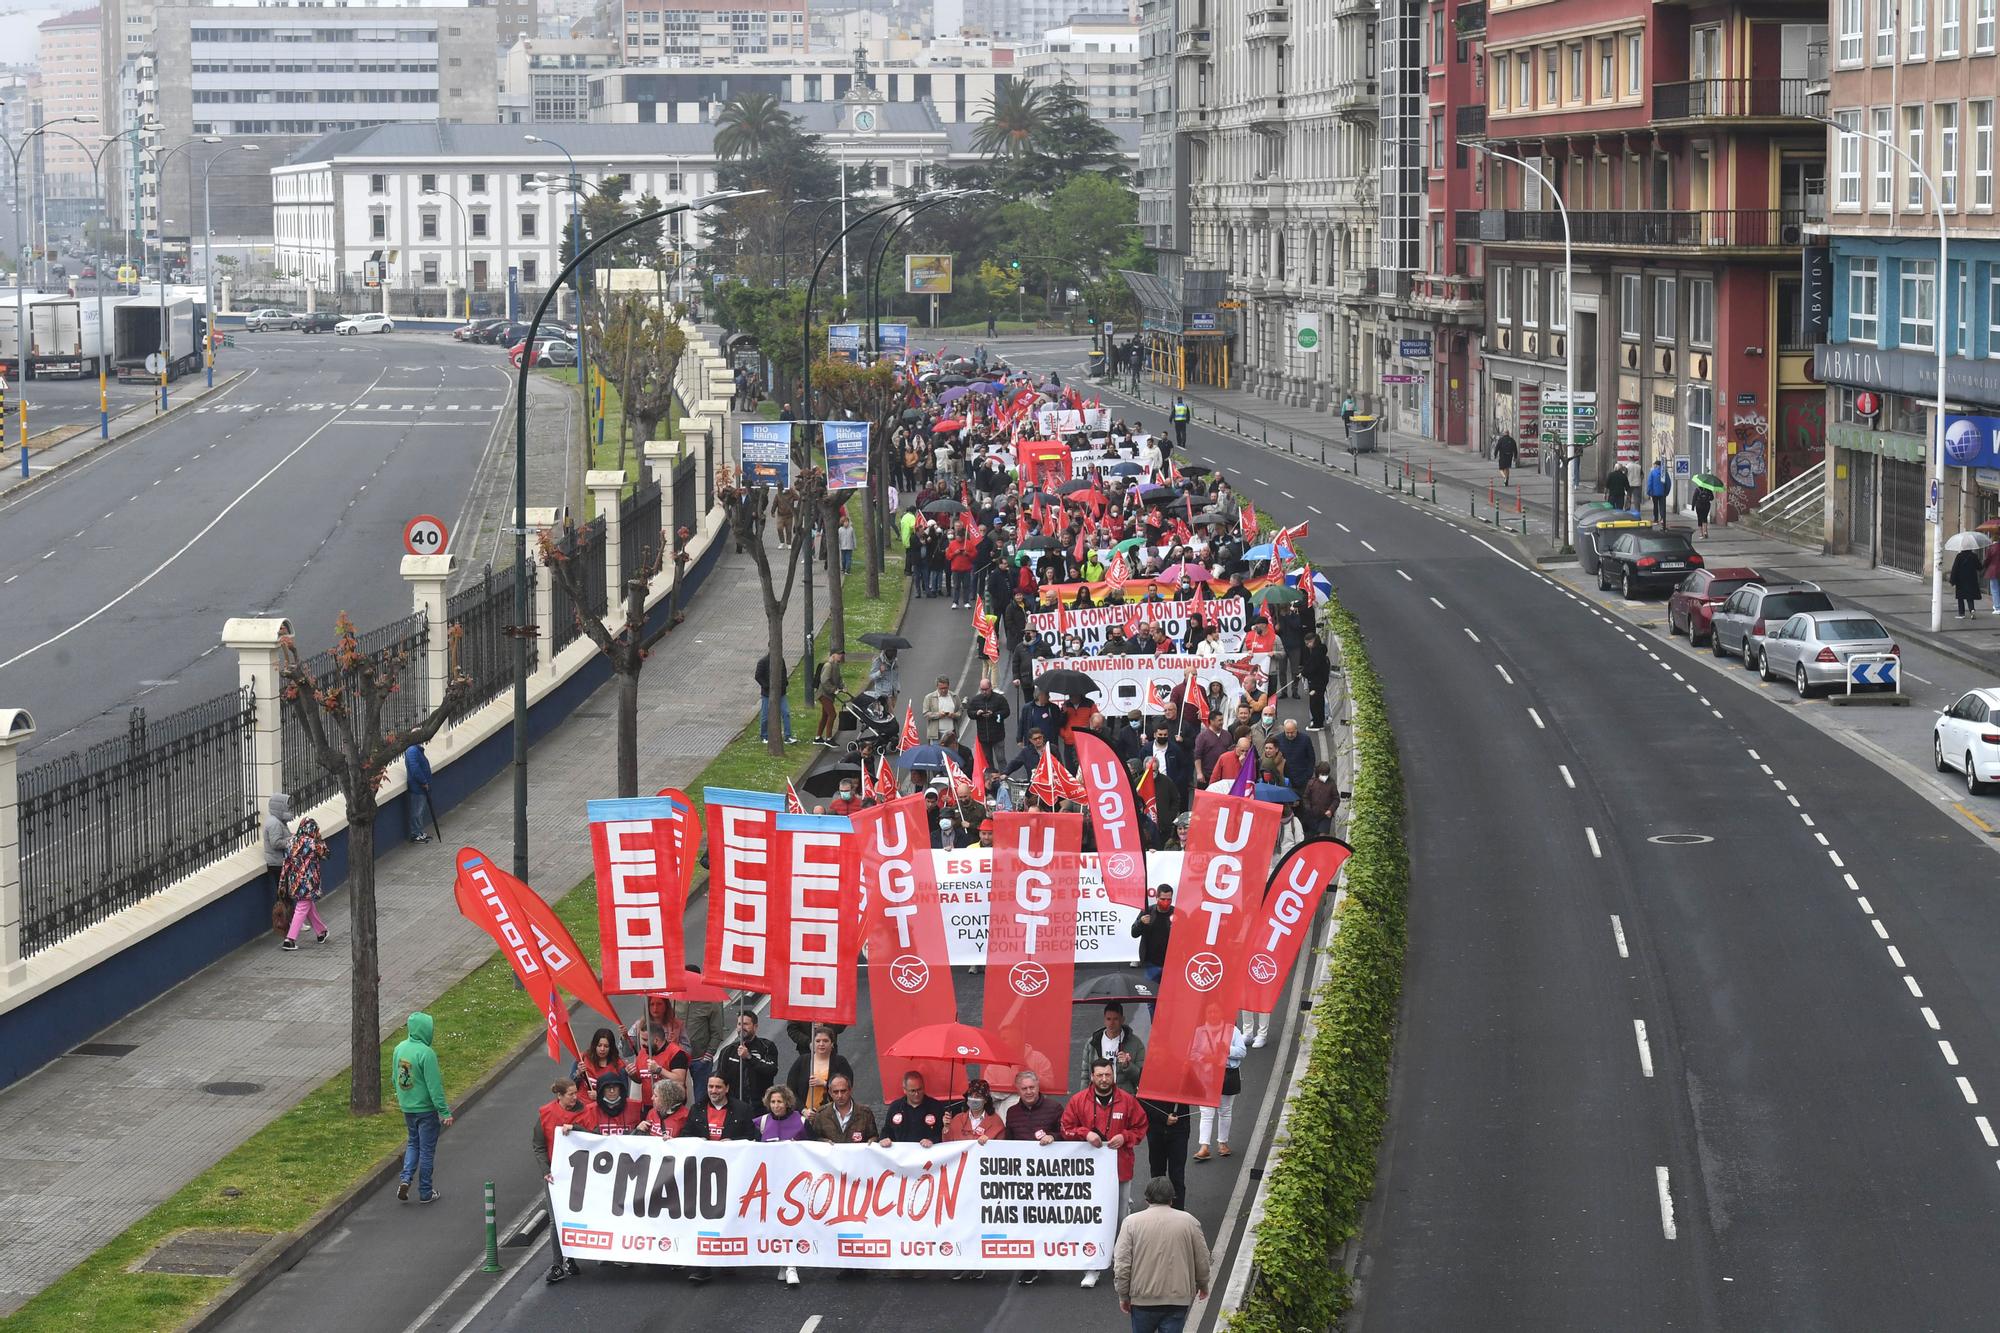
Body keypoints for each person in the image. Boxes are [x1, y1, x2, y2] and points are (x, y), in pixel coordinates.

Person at [1062, 1058, 1151, 1288]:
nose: (1104, 1079)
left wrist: (1126, 1137)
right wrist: (1085, 1134)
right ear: (1092, 1077)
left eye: (1107, 1075)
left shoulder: (1127, 1101)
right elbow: (1065, 1128)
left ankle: (1120, 1263)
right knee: (1093, 1218)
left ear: (1113, 1076)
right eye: (1099, 1075)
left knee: (1120, 1218)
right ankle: (1094, 1265)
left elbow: (1141, 1127)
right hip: (1088, 1174)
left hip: (1120, 1170)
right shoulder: (1079, 1100)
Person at [1114, 1177, 1212, 1332]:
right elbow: (1202, 1258)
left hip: (1142, 1300)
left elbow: (1122, 1264)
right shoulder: (1189, 1222)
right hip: (1177, 1299)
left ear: (1147, 1199)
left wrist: (1123, 1295)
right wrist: (1203, 1284)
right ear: (1171, 1199)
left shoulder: (1131, 1223)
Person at [1004, 1070, 1066, 1286]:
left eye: (1032, 1087)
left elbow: (1067, 1133)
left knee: (1047, 1218)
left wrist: (1054, 1137)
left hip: (1049, 1175)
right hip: (1022, 1178)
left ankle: (1048, 1255)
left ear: (1038, 1087)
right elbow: (1007, 1143)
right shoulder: (1011, 1112)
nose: (1029, 1092)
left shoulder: (1055, 1108)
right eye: (1024, 1088)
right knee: (1026, 1220)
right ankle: (1029, 1265)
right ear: (1017, 1090)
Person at [393, 1011, 453, 1203]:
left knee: (413, 1143)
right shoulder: (426, 1053)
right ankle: (426, 1191)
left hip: (407, 1107)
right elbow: (434, 1086)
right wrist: (444, 1111)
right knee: (427, 1150)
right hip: (425, 1109)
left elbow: (395, 1077)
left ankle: (405, 1178)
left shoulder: (399, 1048)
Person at [534, 1079, 589, 1284]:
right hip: (556, 1176)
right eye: (571, 1094)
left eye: (576, 1093)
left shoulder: (585, 1111)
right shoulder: (545, 1113)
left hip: (581, 1174)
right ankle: (558, 1264)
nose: (575, 1097)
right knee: (555, 1221)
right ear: (559, 1096)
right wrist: (545, 1170)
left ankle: (571, 1258)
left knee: (577, 1217)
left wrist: (575, 1128)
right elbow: (538, 1145)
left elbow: (596, 1137)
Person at [1193, 1015, 1247, 1159]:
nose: (1212, 1015)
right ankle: (1204, 1146)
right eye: (1209, 1012)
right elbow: (1193, 1052)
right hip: (1206, 1076)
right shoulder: (1200, 1032)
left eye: (1216, 1011)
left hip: (1227, 1074)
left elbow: (1242, 1052)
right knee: (1206, 1111)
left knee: (1225, 1111)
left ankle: (1222, 1143)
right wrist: (1205, 1058)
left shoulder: (1233, 1030)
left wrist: (1226, 1050)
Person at [277, 816, 329, 951]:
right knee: (302, 907)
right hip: (309, 881)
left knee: (307, 904)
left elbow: (286, 863)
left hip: (294, 880)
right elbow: (326, 854)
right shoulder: (313, 843)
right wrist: (319, 839)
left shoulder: (291, 842)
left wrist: (282, 883)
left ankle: (321, 931)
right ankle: (290, 939)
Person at [1137, 1093, 1191, 1212]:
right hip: (1156, 1129)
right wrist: (1163, 1117)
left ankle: (1178, 1211)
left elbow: (1197, 1092)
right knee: (1157, 1172)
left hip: (1179, 1129)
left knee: (1177, 1175)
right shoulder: (1148, 1074)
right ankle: (1157, 1209)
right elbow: (1142, 1100)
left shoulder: (1185, 1075)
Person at [784, 1027, 854, 1115]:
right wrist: (803, 1110)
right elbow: (790, 1089)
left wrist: (825, 1083)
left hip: (832, 1115)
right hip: (806, 1114)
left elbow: (848, 1086)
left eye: (825, 1041)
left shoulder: (840, 1062)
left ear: (832, 1043)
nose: (821, 1044)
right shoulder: (802, 1060)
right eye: (817, 1041)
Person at [715, 1010, 780, 1103]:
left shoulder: (767, 1046)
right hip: (734, 1104)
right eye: (739, 1024)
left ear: (755, 1026)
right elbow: (720, 1079)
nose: (741, 1028)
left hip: (760, 1104)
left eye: (745, 1024)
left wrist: (749, 1057)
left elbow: (772, 1070)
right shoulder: (727, 1050)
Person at [1081, 1001, 1147, 1093]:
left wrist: (1127, 1066)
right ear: (1104, 1020)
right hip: (1097, 1095)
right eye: (1108, 1019)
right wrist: (1083, 1097)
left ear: (1122, 1020)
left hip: (1124, 1097)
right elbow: (1085, 1074)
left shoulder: (1135, 1043)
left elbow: (1142, 1079)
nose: (1111, 1023)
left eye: (1115, 1019)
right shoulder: (1092, 1042)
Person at [879, 1070, 949, 1145]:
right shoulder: (895, 1107)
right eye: (912, 1091)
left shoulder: (936, 1106)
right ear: (905, 1090)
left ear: (924, 1087)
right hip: (901, 1155)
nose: (916, 1094)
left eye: (919, 1089)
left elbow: (943, 1135)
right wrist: (884, 1138)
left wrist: (933, 1140)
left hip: (928, 1153)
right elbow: (887, 1130)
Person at [807, 1072, 878, 1143]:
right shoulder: (821, 1114)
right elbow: (814, 1139)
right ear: (830, 1092)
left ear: (850, 1090)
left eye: (843, 1091)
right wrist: (824, 1142)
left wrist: (872, 1141)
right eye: (835, 1092)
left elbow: (874, 1136)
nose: (840, 1095)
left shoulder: (865, 1113)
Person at [1130, 886, 1175, 994]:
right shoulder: (1147, 912)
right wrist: (1141, 922)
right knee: (1151, 995)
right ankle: (1154, 1012)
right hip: (1151, 963)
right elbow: (1134, 933)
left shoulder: (1177, 913)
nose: (1166, 902)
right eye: (1163, 899)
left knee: (1170, 995)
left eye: (1169, 899)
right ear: (1156, 897)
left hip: (1171, 963)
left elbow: (1186, 937)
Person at [262, 792, 294, 929]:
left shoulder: (278, 821)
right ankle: (286, 922)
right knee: (284, 894)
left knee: (285, 893)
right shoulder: (275, 823)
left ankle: (289, 920)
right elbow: (276, 843)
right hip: (277, 864)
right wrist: (291, 841)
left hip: (279, 862)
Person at [968, 677, 1011, 769]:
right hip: (983, 736)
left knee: (1001, 759)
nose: (984, 692)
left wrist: (995, 714)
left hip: (998, 735)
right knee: (987, 760)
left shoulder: (999, 699)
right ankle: (991, 779)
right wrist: (977, 713)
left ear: (990, 687)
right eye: (982, 690)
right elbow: (970, 713)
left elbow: (1006, 712)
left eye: (986, 690)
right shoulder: (975, 700)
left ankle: (1004, 777)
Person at [945, 1078, 1004, 1142]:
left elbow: (1001, 1146)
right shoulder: (957, 1119)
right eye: (970, 1095)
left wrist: (989, 1143)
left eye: (977, 1096)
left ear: (985, 1100)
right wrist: (947, 1127)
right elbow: (947, 1144)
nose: (973, 1099)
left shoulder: (996, 1121)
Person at [573, 1027, 628, 1094]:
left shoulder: (619, 1065)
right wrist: (578, 1074)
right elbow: (569, 1086)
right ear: (594, 1045)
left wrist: (599, 1096)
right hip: (583, 1102)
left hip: (606, 1104)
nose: (602, 1049)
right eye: (599, 1045)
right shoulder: (582, 1058)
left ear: (611, 1048)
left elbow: (624, 1094)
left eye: (606, 1046)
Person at [755, 653, 793, 745]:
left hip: (781, 693)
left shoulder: (781, 660)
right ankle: (764, 735)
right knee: (765, 715)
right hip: (767, 694)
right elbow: (758, 676)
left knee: (786, 713)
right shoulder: (763, 662)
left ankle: (788, 736)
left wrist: (784, 684)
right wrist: (767, 686)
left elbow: (784, 672)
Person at [1300, 629, 1333, 731]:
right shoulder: (1318, 651)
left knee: (1315, 703)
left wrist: (1304, 673)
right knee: (1318, 701)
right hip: (1319, 681)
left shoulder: (1317, 653)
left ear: (1314, 640)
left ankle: (1317, 723)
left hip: (1317, 682)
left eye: (1309, 643)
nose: (1307, 645)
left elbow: (1313, 667)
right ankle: (1318, 721)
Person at [1275, 718, 1316, 797]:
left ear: (1296, 729)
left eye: (1292, 732)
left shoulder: (1305, 739)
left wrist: (1308, 775)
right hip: (1285, 780)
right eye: (1287, 733)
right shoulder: (1278, 739)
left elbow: (1311, 758)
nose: (1290, 735)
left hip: (1302, 780)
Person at [813, 649, 845, 747]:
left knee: (825, 715)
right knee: (832, 714)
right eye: (839, 654)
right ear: (833, 655)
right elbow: (824, 680)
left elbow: (838, 678)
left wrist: (842, 687)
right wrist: (833, 689)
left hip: (829, 695)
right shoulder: (828, 666)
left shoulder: (836, 665)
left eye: (842, 654)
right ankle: (828, 738)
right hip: (823, 694)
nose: (841, 656)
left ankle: (818, 738)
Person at [404, 741, 433, 843]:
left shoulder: (416, 750)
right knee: (417, 811)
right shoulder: (412, 750)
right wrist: (423, 781)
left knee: (419, 811)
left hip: (420, 787)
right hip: (418, 787)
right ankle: (416, 834)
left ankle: (419, 832)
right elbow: (415, 769)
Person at [1302, 761, 1340, 838]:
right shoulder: (1311, 783)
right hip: (1313, 815)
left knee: (1322, 837)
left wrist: (1331, 810)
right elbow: (1305, 797)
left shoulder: (1331, 784)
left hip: (1325, 817)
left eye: (1326, 774)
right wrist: (1308, 807)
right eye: (1322, 774)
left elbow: (1336, 799)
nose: (1324, 776)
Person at [922, 674, 961, 745]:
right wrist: (938, 715)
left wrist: (953, 715)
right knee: (937, 755)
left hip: (951, 734)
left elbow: (960, 712)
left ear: (948, 686)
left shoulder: (955, 697)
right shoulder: (929, 698)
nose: (943, 690)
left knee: (951, 755)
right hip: (936, 736)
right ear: (937, 687)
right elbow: (925, 714)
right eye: (941, 688)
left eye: (945, 688)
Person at [1952, 543, 1985, 618]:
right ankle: (1972, 610)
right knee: (1970, 596)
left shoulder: (1959, 556)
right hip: (1971, 579)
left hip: (1960, 579)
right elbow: (1979, 567)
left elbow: (1955, 568)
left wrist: (1953, 580)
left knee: (1960, 596)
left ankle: (1961, 613)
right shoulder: (1974, 556)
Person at [1645, 458, 1672, 527]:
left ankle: (1656, 520)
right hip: (1662, 493)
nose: (1654, 466)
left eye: (1654, 465)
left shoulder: (1652, 472)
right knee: (1662, 506)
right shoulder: (1664, 473)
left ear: (1657, 465)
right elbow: (1668, 483)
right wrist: (1666, 492)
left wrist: (1649, 492)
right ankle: (1663, 519)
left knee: (1655, 506)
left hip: (1654, 493)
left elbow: (1649, 483)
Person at [1987, 537, 2000, 617]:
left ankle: (1997, 607)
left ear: (1992, 540)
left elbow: (1987, 560)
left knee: (1994, 589)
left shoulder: (1991, 548)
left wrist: (1984, 566)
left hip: (1993, 571)